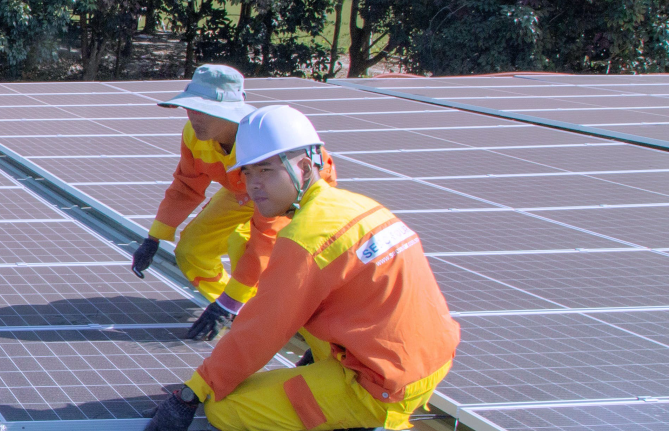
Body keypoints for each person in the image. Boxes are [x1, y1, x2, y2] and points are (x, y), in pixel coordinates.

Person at [144, 106, 461, 431]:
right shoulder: (357, 204)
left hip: (381, 384)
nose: (253, 185)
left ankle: (365, 418)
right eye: (248, 173)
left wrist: (192, 392)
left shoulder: (306, 238)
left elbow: (263, 329)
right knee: (304, 306)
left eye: (266, 170)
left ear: (306, 168)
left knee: (225, 410)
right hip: (429, 355)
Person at [127, 64, 337, 341]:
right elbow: (186, 186)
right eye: (189, 110)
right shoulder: (194, 136)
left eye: (202, 111)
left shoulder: (264, 143)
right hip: (239, 190)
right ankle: (245, 312)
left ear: (228, 115)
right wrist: (154, 238)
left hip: (289, 193)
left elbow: (264, 238)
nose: (193, 118)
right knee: (192, 249)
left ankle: (292, 322)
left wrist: (229, 302)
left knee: (251, 248)